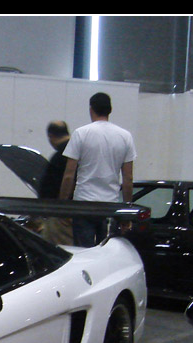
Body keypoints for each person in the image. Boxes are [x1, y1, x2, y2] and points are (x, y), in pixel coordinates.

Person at [59, 92, 137, 246]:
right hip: (110, 206)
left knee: (84, 253)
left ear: (91, 109)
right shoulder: (125, 136)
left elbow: (69, 175)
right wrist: (126, 212)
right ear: (110, 110)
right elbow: (128, 179)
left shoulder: (81, 133)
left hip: (84, 204)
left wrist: (62, 205)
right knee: (106, 252)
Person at [38, 120, 74, 246]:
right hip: (80, 210)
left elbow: (67, 179)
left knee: (59, 249)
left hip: (61, 214)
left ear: (50, 136)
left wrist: (61, 207)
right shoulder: (78, 151)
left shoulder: (60, 156)